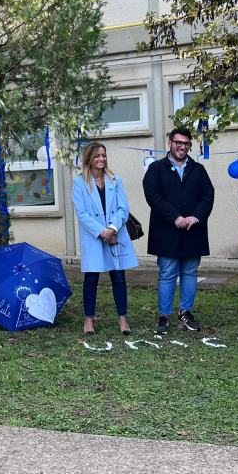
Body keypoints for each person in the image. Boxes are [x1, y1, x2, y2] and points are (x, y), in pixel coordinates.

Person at [142, 128, 215, 334]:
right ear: (170, 143)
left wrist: (195, 217)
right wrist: (175, 217)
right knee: (167, 273)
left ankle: (186, 312)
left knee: (190, 272)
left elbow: (208, 196)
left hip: (194, 229)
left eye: (186, 144)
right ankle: (164, 316)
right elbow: (153, 196)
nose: (182, 147)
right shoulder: (156, 169)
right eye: (178, 142)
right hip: (166, 230)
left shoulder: (198, 169)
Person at [70, 141, 138, 335]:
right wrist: (102, 232)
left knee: (119, 277)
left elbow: (123, 208)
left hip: (115, 235)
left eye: (104, 155)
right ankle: (88, 320)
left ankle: (123, 319)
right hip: (94, 237)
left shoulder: (115, 180)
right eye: (97, 156)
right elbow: (81, 213)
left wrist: (112, 229)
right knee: (91, 278)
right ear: (89, 159)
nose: (101, 159)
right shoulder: (79, 182)